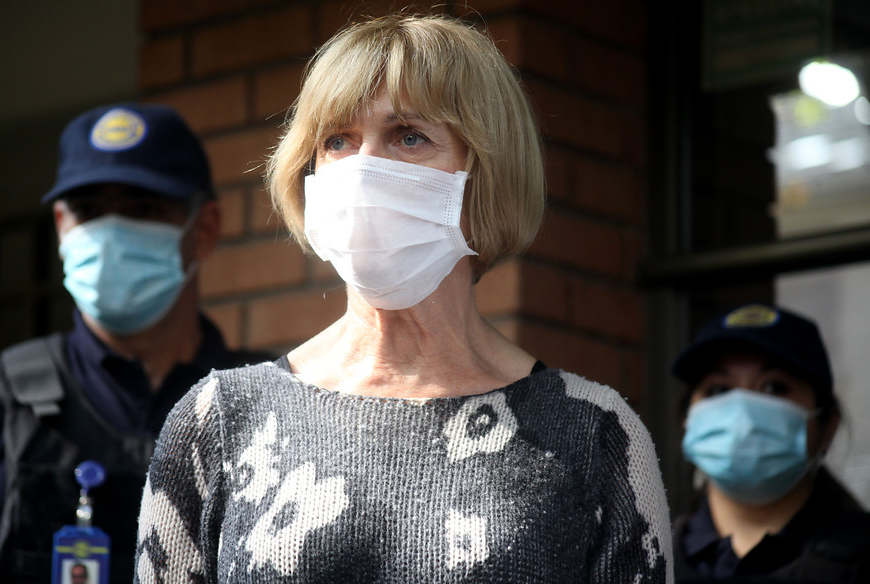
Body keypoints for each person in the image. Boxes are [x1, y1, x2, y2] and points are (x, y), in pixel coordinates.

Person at [133, 13, 672, 583]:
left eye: (409, 137)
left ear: (487, 174)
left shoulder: (595, 434)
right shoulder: (217, 419)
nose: (364, 168)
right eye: (337, 141)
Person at [0, 103, 271, 584]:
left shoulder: (271, 405)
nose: (109, 233)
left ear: (205, 228)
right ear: (61, 226)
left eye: (143, 209)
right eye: (88, 210)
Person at [671, 303, 870, 582]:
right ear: (687, 417)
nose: (741, 414)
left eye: (774, 386)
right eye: (718, 389)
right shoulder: (637, 561)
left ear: (827, 424)